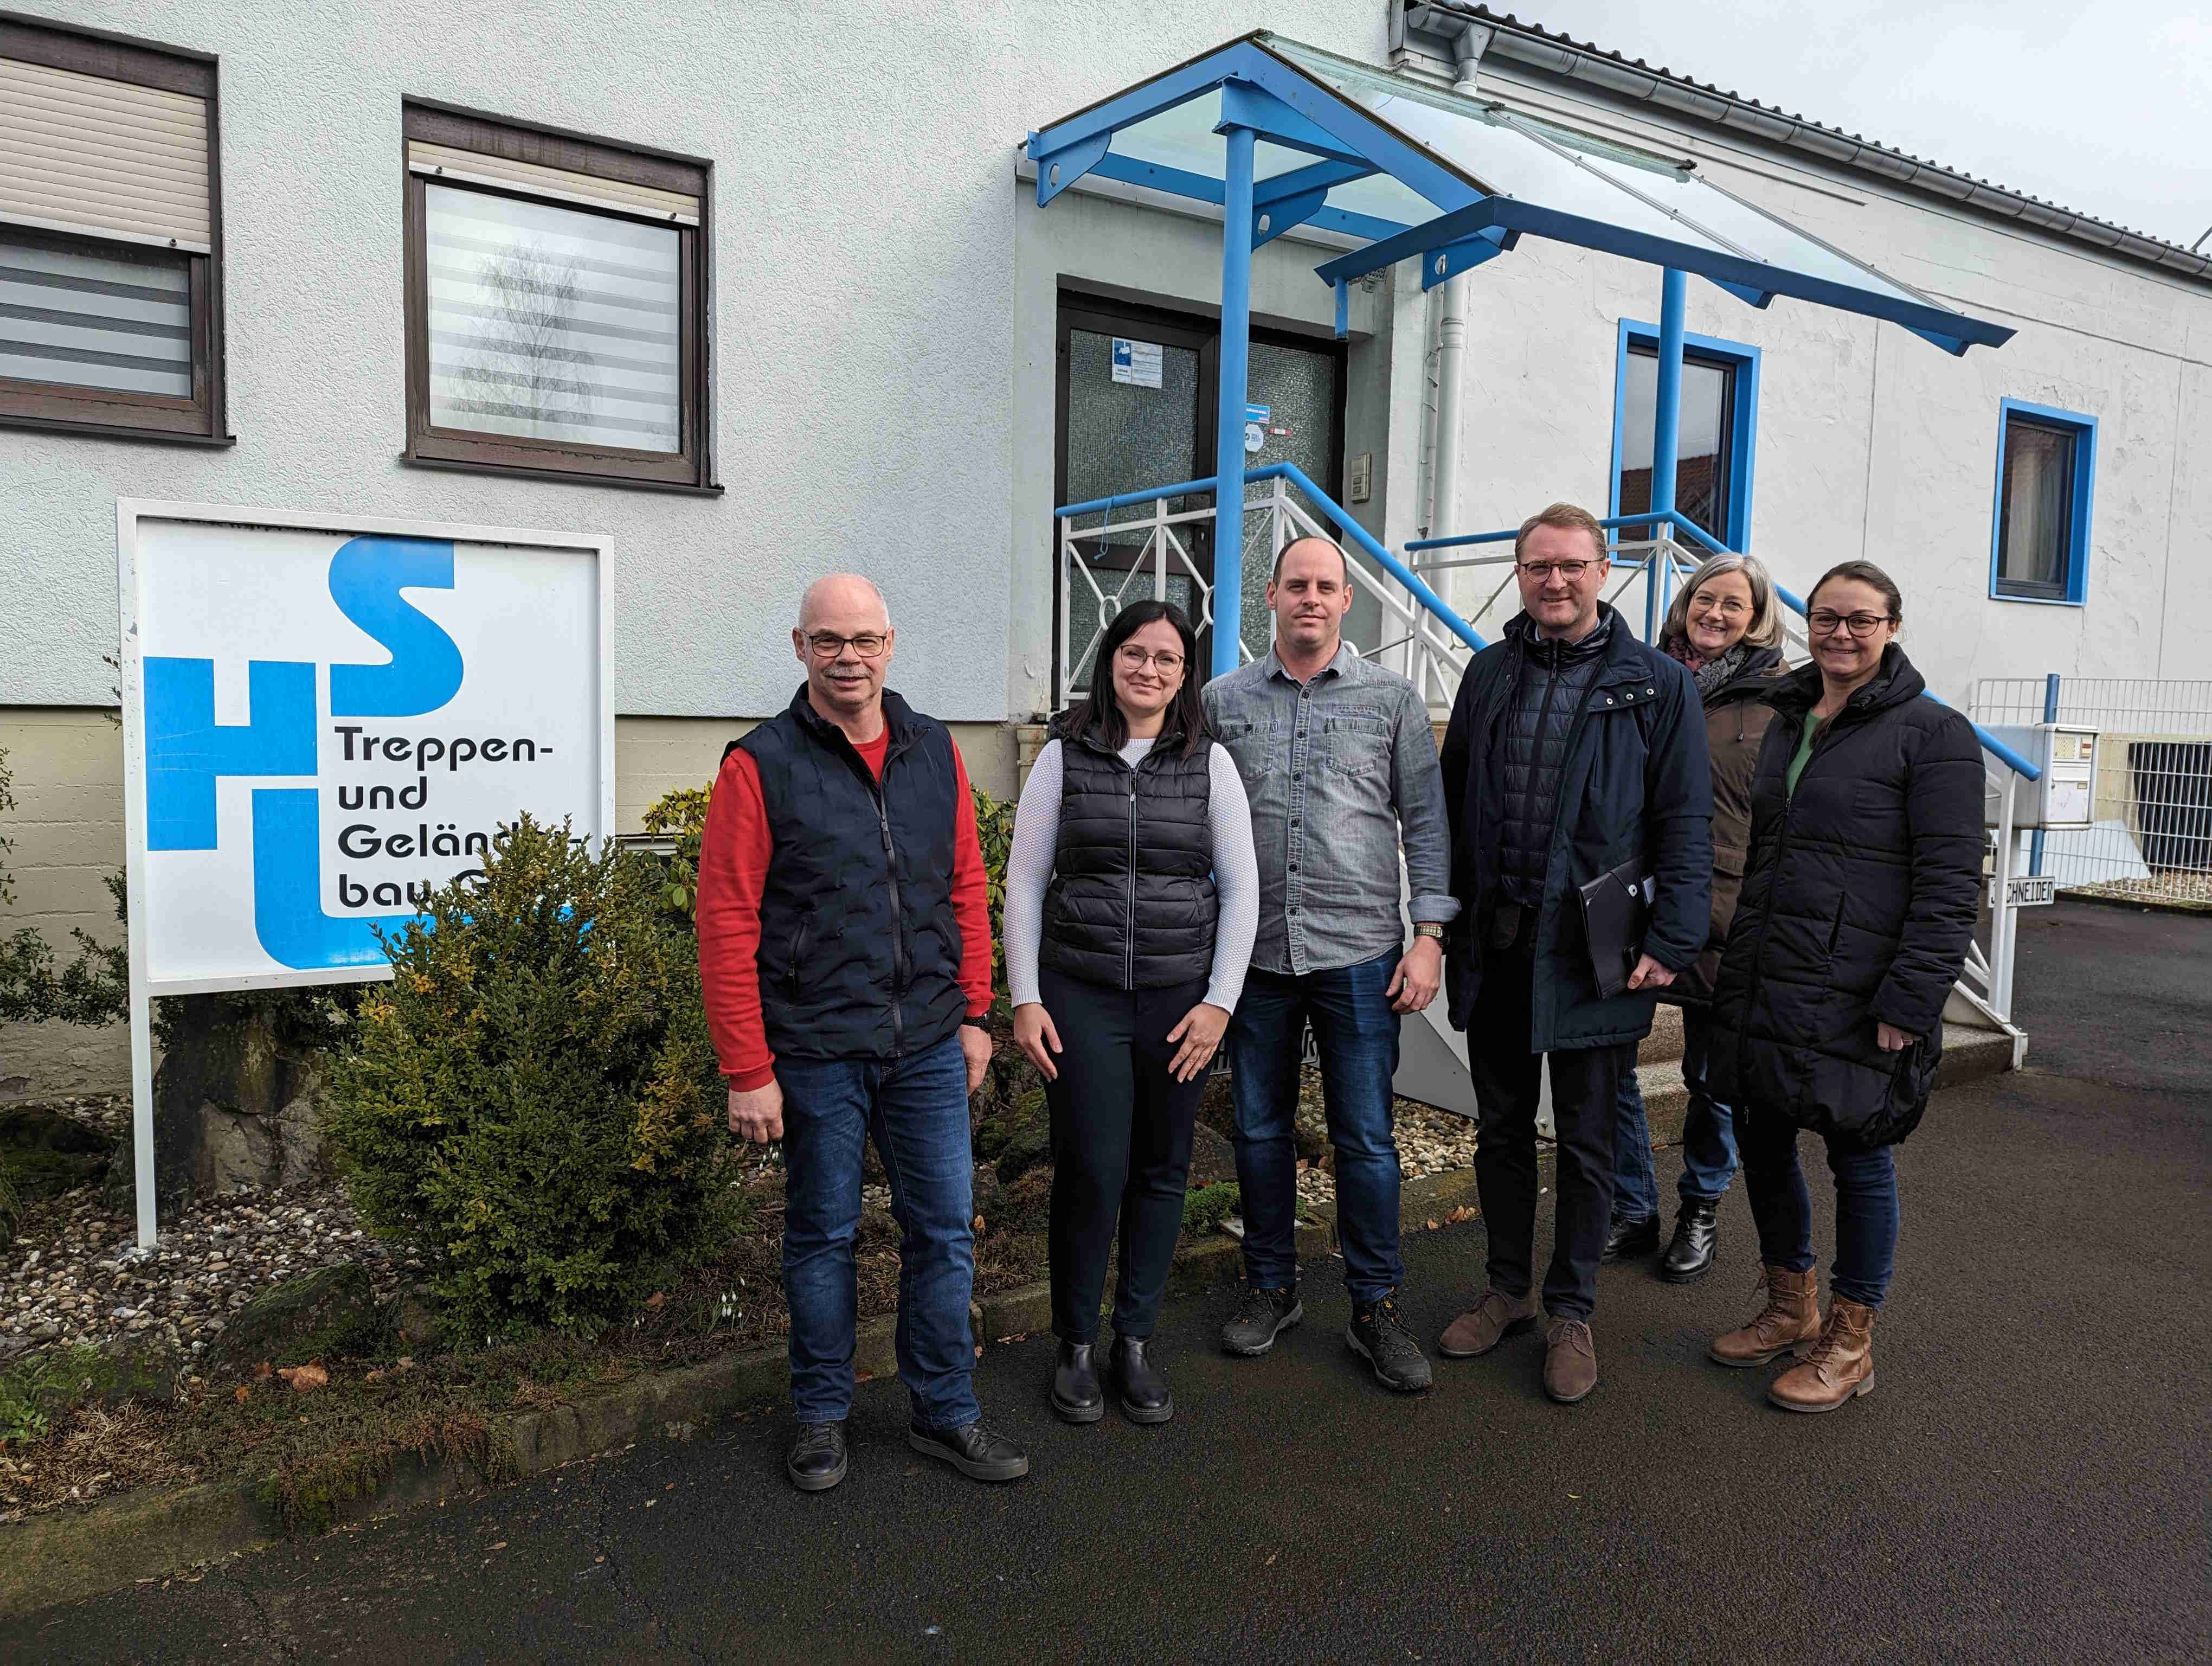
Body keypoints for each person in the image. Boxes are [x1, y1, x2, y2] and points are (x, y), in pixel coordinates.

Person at [697, 574, 1027, 1491]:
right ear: (799, 646)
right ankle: (820, 1415)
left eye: (866, 640)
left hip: (925, 1042)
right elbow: (726, 921)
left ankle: (945, 1411)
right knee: (822, 1235)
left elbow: (965, 883)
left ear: (892, 644)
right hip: (813, 1051)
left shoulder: (934, 751)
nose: (850, 658)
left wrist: (972, 1012)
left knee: (944, 1233)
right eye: (830, 641)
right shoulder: (757, 766)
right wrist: (746, 1067)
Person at [1435, 503, 1712, 1405]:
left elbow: (1685, 819)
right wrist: (1441, 926)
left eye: (1572, 566)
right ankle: (1510, 1289)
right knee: (1505, 1133)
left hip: (1597, 952)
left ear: (1603, 571)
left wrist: (1671, 939)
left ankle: (1572, 1309)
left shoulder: (1659, 685)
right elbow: (1452, 802)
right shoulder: (1487, 674)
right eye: (1537, 567)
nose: (1555, 582)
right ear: (1520, 574)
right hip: (1501, 945)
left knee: (1591, 1141)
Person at [1705, 560, 1982, 1413]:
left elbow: (1948, 882)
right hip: (1770, 976)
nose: (1841, 634)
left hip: (1862, 988)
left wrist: (1911, 999)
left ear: (1892, 627)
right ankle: (1791, 1306)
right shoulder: (1791, 719)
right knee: (1762, 1137)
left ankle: (1852, 1341)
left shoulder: (1934, 733)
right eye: (1827, 618)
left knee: (1860, 1157)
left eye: (1861, 620)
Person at [1203, 534, 1458, 1393]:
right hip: (1257, 958)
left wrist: (1429, 935)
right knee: (1262, 1129)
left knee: (1366, 1138)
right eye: (1296, 584)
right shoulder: (1221, 701)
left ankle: (1375, 1306)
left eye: (1327, 586)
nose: (1311, 598)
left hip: (1359, 953)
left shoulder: (1391, 699)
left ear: (1348, 601)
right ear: (1269, 595)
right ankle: (1271, 1287)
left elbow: (1425, 823)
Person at [1005, 600, 1258, 1426]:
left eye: (1168, 659)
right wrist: (1026, 996)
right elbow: (1024, 882)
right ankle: (1075, 1344)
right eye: (1134, 653)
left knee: (1161, 1170)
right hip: (1082, 997)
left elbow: (1242, 889)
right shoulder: (1065, 759)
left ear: (1186, 675)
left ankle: (1135, 1342)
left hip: (1181, 1003)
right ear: (1110, 659)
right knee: (1092, 1170)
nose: (1149, 669)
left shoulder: (1210, 764)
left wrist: (1221, 1003)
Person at [1601, 554, 1791, 1281]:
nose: (1715, 614)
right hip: (1631, 898)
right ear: (1686, 603)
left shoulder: (1780, 699)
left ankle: (1701, 1207)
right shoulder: (1641, 676)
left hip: (1726, 909)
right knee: (1610, 1060)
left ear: (1757, 617)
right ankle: (1632, 1205)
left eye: (1733, 605)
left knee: (1711, 1076)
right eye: (1705, 599)